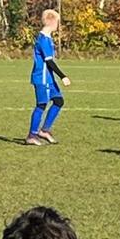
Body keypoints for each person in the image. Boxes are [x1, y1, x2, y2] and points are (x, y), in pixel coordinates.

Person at [27, 8, 70, 146]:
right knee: (41, 104)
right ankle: (32, 135)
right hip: (42, 78)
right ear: (51, 21)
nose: (58, 25)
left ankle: (44, 131)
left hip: (49, 78)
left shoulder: (48, 38)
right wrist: (63, 76)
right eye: (57, 22)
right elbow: (49, 61)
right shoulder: (43, 40)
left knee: (58, 101)